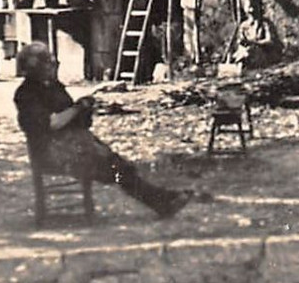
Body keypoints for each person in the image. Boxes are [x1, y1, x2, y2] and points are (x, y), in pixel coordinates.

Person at [13, 42, 190, 219]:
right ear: (35, 68)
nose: (53, 67)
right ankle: (161, 201)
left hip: (75, 147)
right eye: (49, 63)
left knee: (120, 166)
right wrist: (77, 108)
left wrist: (84, 110)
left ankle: (162, 200)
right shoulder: (26, 94)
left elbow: (73, 118)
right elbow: (52, 123)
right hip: (51, 153)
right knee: (118, 169)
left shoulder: (54, 87)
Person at [229, 0, 280, 69]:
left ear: (260, 8)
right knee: (234, 57)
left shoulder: (266, 24)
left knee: (251, 52)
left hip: (264, 54)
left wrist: (254, 43)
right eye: (249, 7)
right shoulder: (244, 26)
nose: (251, 10)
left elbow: (271, 42)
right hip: (246, 53)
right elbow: (241, 43)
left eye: (254, 7)